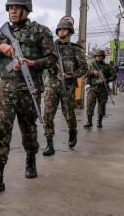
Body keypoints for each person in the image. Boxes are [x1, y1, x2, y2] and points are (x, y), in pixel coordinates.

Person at [0, 0, 57, 195]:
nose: (12, 11)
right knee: (2, 133)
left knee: (28, 130)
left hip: (28, 90)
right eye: (10, 8)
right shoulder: (2, 35)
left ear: (26, 10)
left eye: (16, 7)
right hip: (6, 90)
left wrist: (32, 63)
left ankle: (31, 159)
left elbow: (52, 59)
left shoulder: (40, 31)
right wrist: (0, 48)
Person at [42, 19, 87, 156]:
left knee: (68, 114)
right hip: (52, 85)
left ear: (70, 32)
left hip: (68, 86)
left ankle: (73, 130)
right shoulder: (51, 48)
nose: (61, 32)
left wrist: (71, 75)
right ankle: (49, 144)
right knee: (48, 115)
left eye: (64, 30)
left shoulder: (75, 50)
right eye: (59, 30)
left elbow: (84, 68)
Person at [83, 49, 117, 129]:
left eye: (100, 56)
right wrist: (92, 73)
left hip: (103, 89)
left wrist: (106, 80)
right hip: (92, 88)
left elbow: (114, 76)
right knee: (90, 104)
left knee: (102, 105)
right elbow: (84, 74)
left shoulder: (107, 66)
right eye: (97, 56)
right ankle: (89, 122)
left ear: (103, 57)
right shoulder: (90, 65)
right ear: (95, 57)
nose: (98, 58)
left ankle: (99, 122)